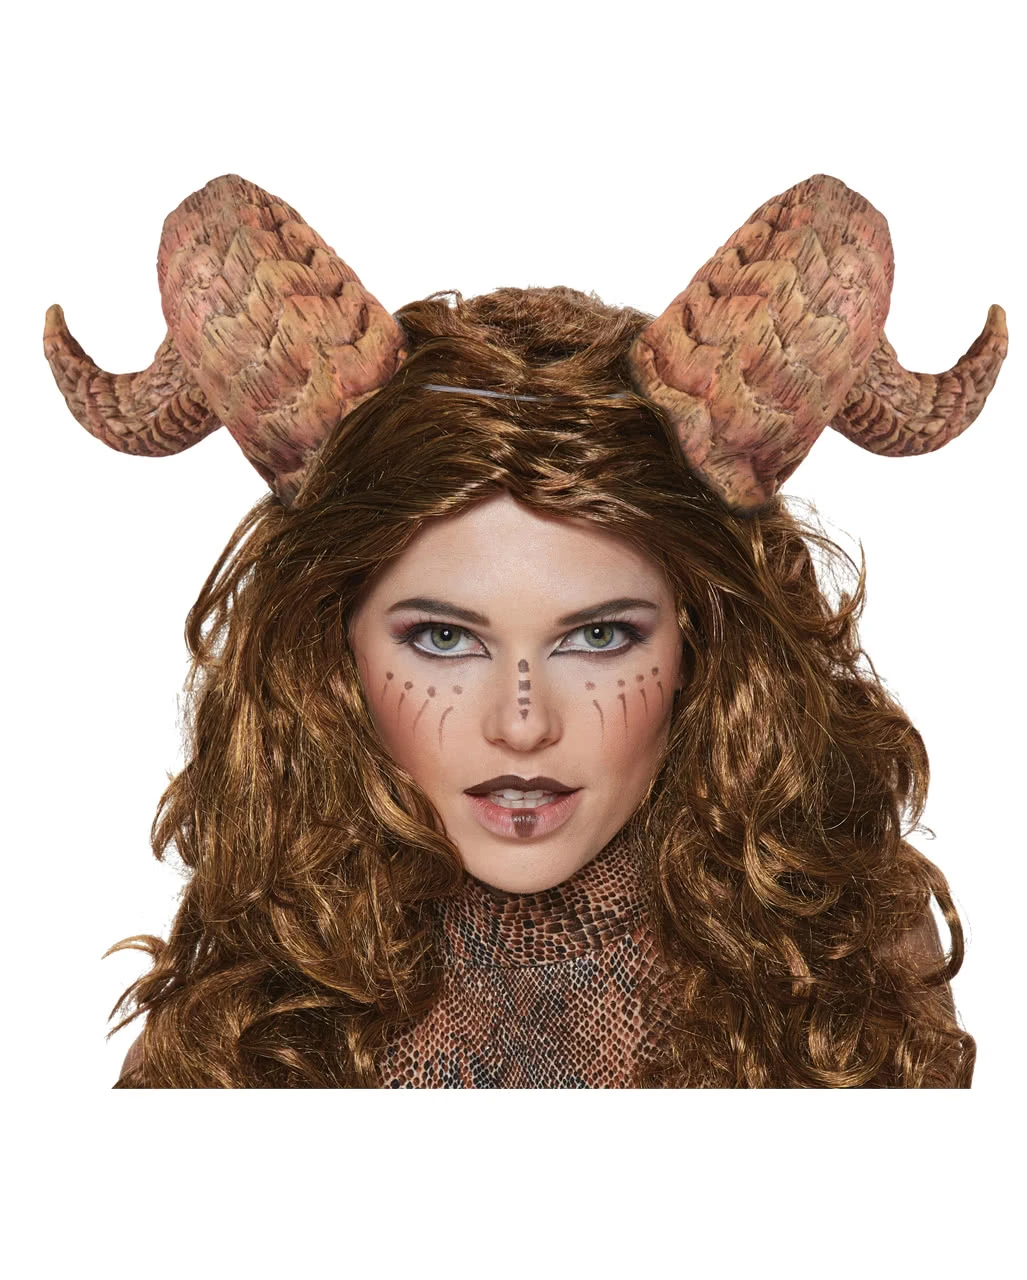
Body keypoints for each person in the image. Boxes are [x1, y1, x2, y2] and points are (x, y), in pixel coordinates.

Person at [44, 171, 1007, 1088]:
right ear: (331, 650)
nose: (520, 727)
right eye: (441, 640)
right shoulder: (263, 971)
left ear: (700, 645)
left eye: (599, 639)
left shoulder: (843, 952)